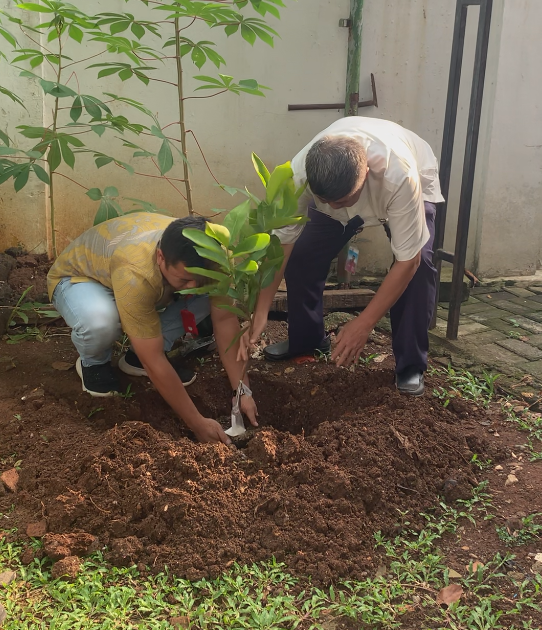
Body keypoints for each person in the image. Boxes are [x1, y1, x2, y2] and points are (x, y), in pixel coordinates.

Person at [239, 117, 444, 396]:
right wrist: (261, 310)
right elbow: (283, 245)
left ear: (366, 174)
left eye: (343, 201)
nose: (335, 207)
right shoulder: (298, 175)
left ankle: (410, 364)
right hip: (345, 185)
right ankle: (307, 339)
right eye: (325, 200)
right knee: (302, 255)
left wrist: (363, 324)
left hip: (410, 177)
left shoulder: (401, 177)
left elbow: (409, 262)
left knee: (420, 270)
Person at [47, 213, 258, 444]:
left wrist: (242, 391)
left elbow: (225, 320)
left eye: (200, 279)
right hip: (81, 280)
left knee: (204, 298)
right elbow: (153, 359)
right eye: (185, 280)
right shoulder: (135, 272)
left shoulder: (216, 254)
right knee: (101, 323)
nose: (192, 287)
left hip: (133, 278)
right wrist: (197, 423)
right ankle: (93, 363)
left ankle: (134, 358)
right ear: (160, 257)